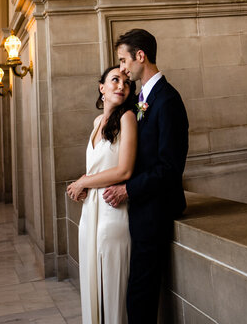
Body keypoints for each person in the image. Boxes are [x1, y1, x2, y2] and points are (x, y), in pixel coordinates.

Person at [102, 28, 189, 324]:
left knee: (141, 293)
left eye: (124, 60)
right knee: (139, 290)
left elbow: (170, 167)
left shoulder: (168, 100)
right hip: (141, 209)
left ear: (141, 56)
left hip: (156, 210)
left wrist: (128, 190)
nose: (123, 69)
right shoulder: (141, 98)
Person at [67, 67, 138, 324]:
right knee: (91, 281)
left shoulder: (128, 118)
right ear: (102, 87)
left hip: (113, 212)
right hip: (90, 212)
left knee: (112, 287)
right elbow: (98, 167)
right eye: (115, 80)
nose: (121, 85)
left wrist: (84, 180)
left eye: (127, 83)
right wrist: (84, 187)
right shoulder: (97, 123)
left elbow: (124, 170)